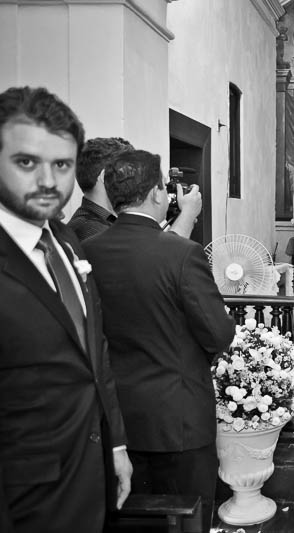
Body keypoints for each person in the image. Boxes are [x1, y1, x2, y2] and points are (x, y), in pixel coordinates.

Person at [0, 86, 131, 533]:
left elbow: (96, 352)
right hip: (23, 497)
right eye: (26, 162)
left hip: (89, 474)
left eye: (62, 164)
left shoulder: (68, 242)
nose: (48, 181)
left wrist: (113, 446)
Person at [83, 149, 235, 533]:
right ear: (156, 194)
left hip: (117, 420)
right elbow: (218, 332)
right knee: (188, 519)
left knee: (132, 523)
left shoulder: (86, 252)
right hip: (179, 418)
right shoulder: (181, 253)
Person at [69, 137, 202, 241]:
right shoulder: (90, 229)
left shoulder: (107, 222)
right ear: (105, 176)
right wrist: (187, 216)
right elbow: (154, 266)